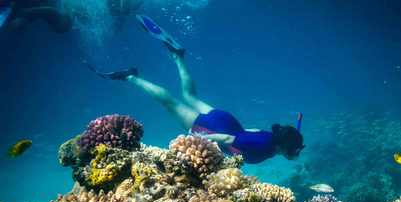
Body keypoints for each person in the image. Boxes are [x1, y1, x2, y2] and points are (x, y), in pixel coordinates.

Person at [85, 15, 305, 164]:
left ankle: (177, 56)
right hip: (214, 128)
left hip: (227, 120)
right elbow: (228, 141)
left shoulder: (271, 138)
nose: (296, 155)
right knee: (170, 103)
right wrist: (199, 136)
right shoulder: (262, 147)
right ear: (286, 147)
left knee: (190, 96)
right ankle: (131, 77)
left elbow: (254, 130)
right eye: (295, 151)